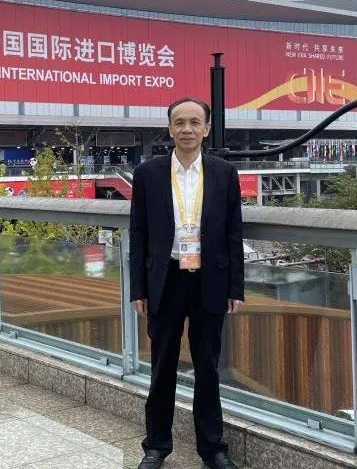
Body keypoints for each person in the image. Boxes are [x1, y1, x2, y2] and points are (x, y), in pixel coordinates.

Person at [129, 97, 244, 469]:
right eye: (179, 122)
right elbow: (138, 233)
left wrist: (236, 287)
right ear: (169, 129)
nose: (187, 129)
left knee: (208, 366)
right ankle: (156, 447)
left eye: (195, 122)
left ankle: (212, 449)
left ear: (207, 128)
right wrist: (138, 288)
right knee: (162, 364)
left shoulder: (224, 173)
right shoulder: (148, 173)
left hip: (210, 279)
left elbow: (234, 232)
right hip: (166, 279)